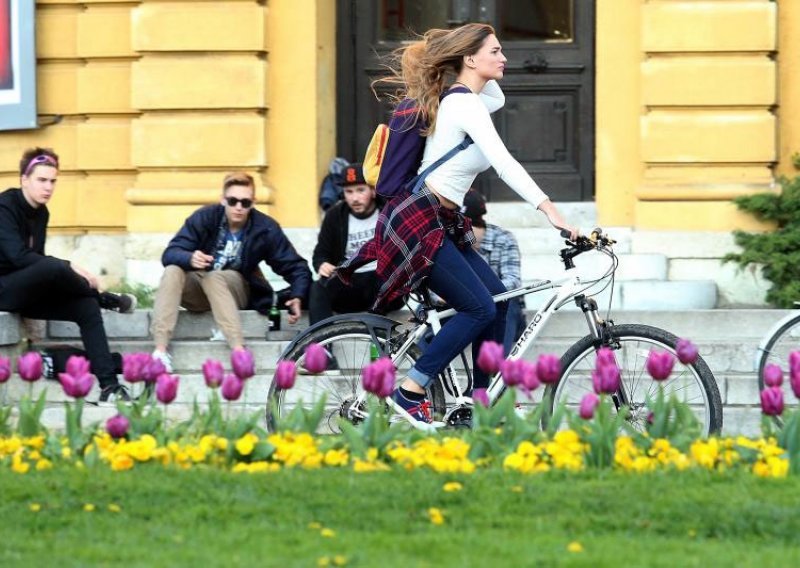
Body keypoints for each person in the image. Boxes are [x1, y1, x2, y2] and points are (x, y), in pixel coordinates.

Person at [337, 23, 577, 423]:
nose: (505, 58)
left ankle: (479, 400)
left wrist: (474, 59)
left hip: (443, 218)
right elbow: (504, 163)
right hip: (419, 219)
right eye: (496, 51)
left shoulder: (469, 101)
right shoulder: (463, 105)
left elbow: (495, 96)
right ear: (469, 58)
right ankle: (411, 391)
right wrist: (551, 211)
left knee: (497, 300)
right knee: (479, 308)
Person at [0, 147, 135, 402]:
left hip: (26, 291)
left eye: (53, 181)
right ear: (24, 180)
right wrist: (70, 266)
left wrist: (62, 274)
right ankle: (103, 298)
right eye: (42, 180)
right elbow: (18, 256)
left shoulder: (42, 212)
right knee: (55, 267)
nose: (48, 187)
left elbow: (35, 263)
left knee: (85, 307)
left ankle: (109, 386)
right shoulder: (4, 206)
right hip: (3, 290)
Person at [150, 171, 312, 370]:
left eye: (245, 203)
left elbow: (295, 266)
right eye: (233, 201)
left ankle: (238, 351)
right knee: (173, 270)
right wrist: (189, 257)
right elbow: (170, 253)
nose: (238, 207)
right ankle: (160, 351)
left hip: (236, 290)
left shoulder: (264, 228)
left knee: (214, 277)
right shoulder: (205, 218)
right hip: (199, 292)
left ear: (253, 202)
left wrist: (298, 293)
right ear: (223, 200)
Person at [309, 163, 401, 325]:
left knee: (382, 278)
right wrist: (322, 264)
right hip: (350, 281)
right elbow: (321, 252)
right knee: (318, 288)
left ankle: (381, 342)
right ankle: (321, 345)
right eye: (348, 192)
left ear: (373, 191)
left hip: (383, 286)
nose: (354, 198)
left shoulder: (389, 213)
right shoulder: (335, 215)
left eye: (360, 190)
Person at [462, 188, 526, 355]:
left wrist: (475, 292)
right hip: (460, 308)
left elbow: (513, 281)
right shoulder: (449, 240)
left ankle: (496, 371)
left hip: (500, 306)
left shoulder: (503, 238)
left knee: (507, 302)